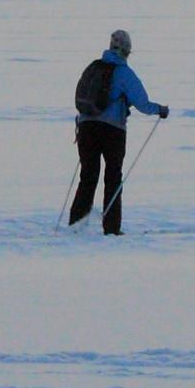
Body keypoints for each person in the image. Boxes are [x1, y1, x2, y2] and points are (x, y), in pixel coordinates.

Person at [67, 28, 171, 235]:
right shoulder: (124, 73)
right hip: (112, 130)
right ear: (126, 51)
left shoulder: (93, 67)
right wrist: (160, 110)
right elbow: (142, 103)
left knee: (88, 176)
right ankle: (112, 228)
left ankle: (76, 225)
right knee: (113, 178)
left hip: (87, 126)